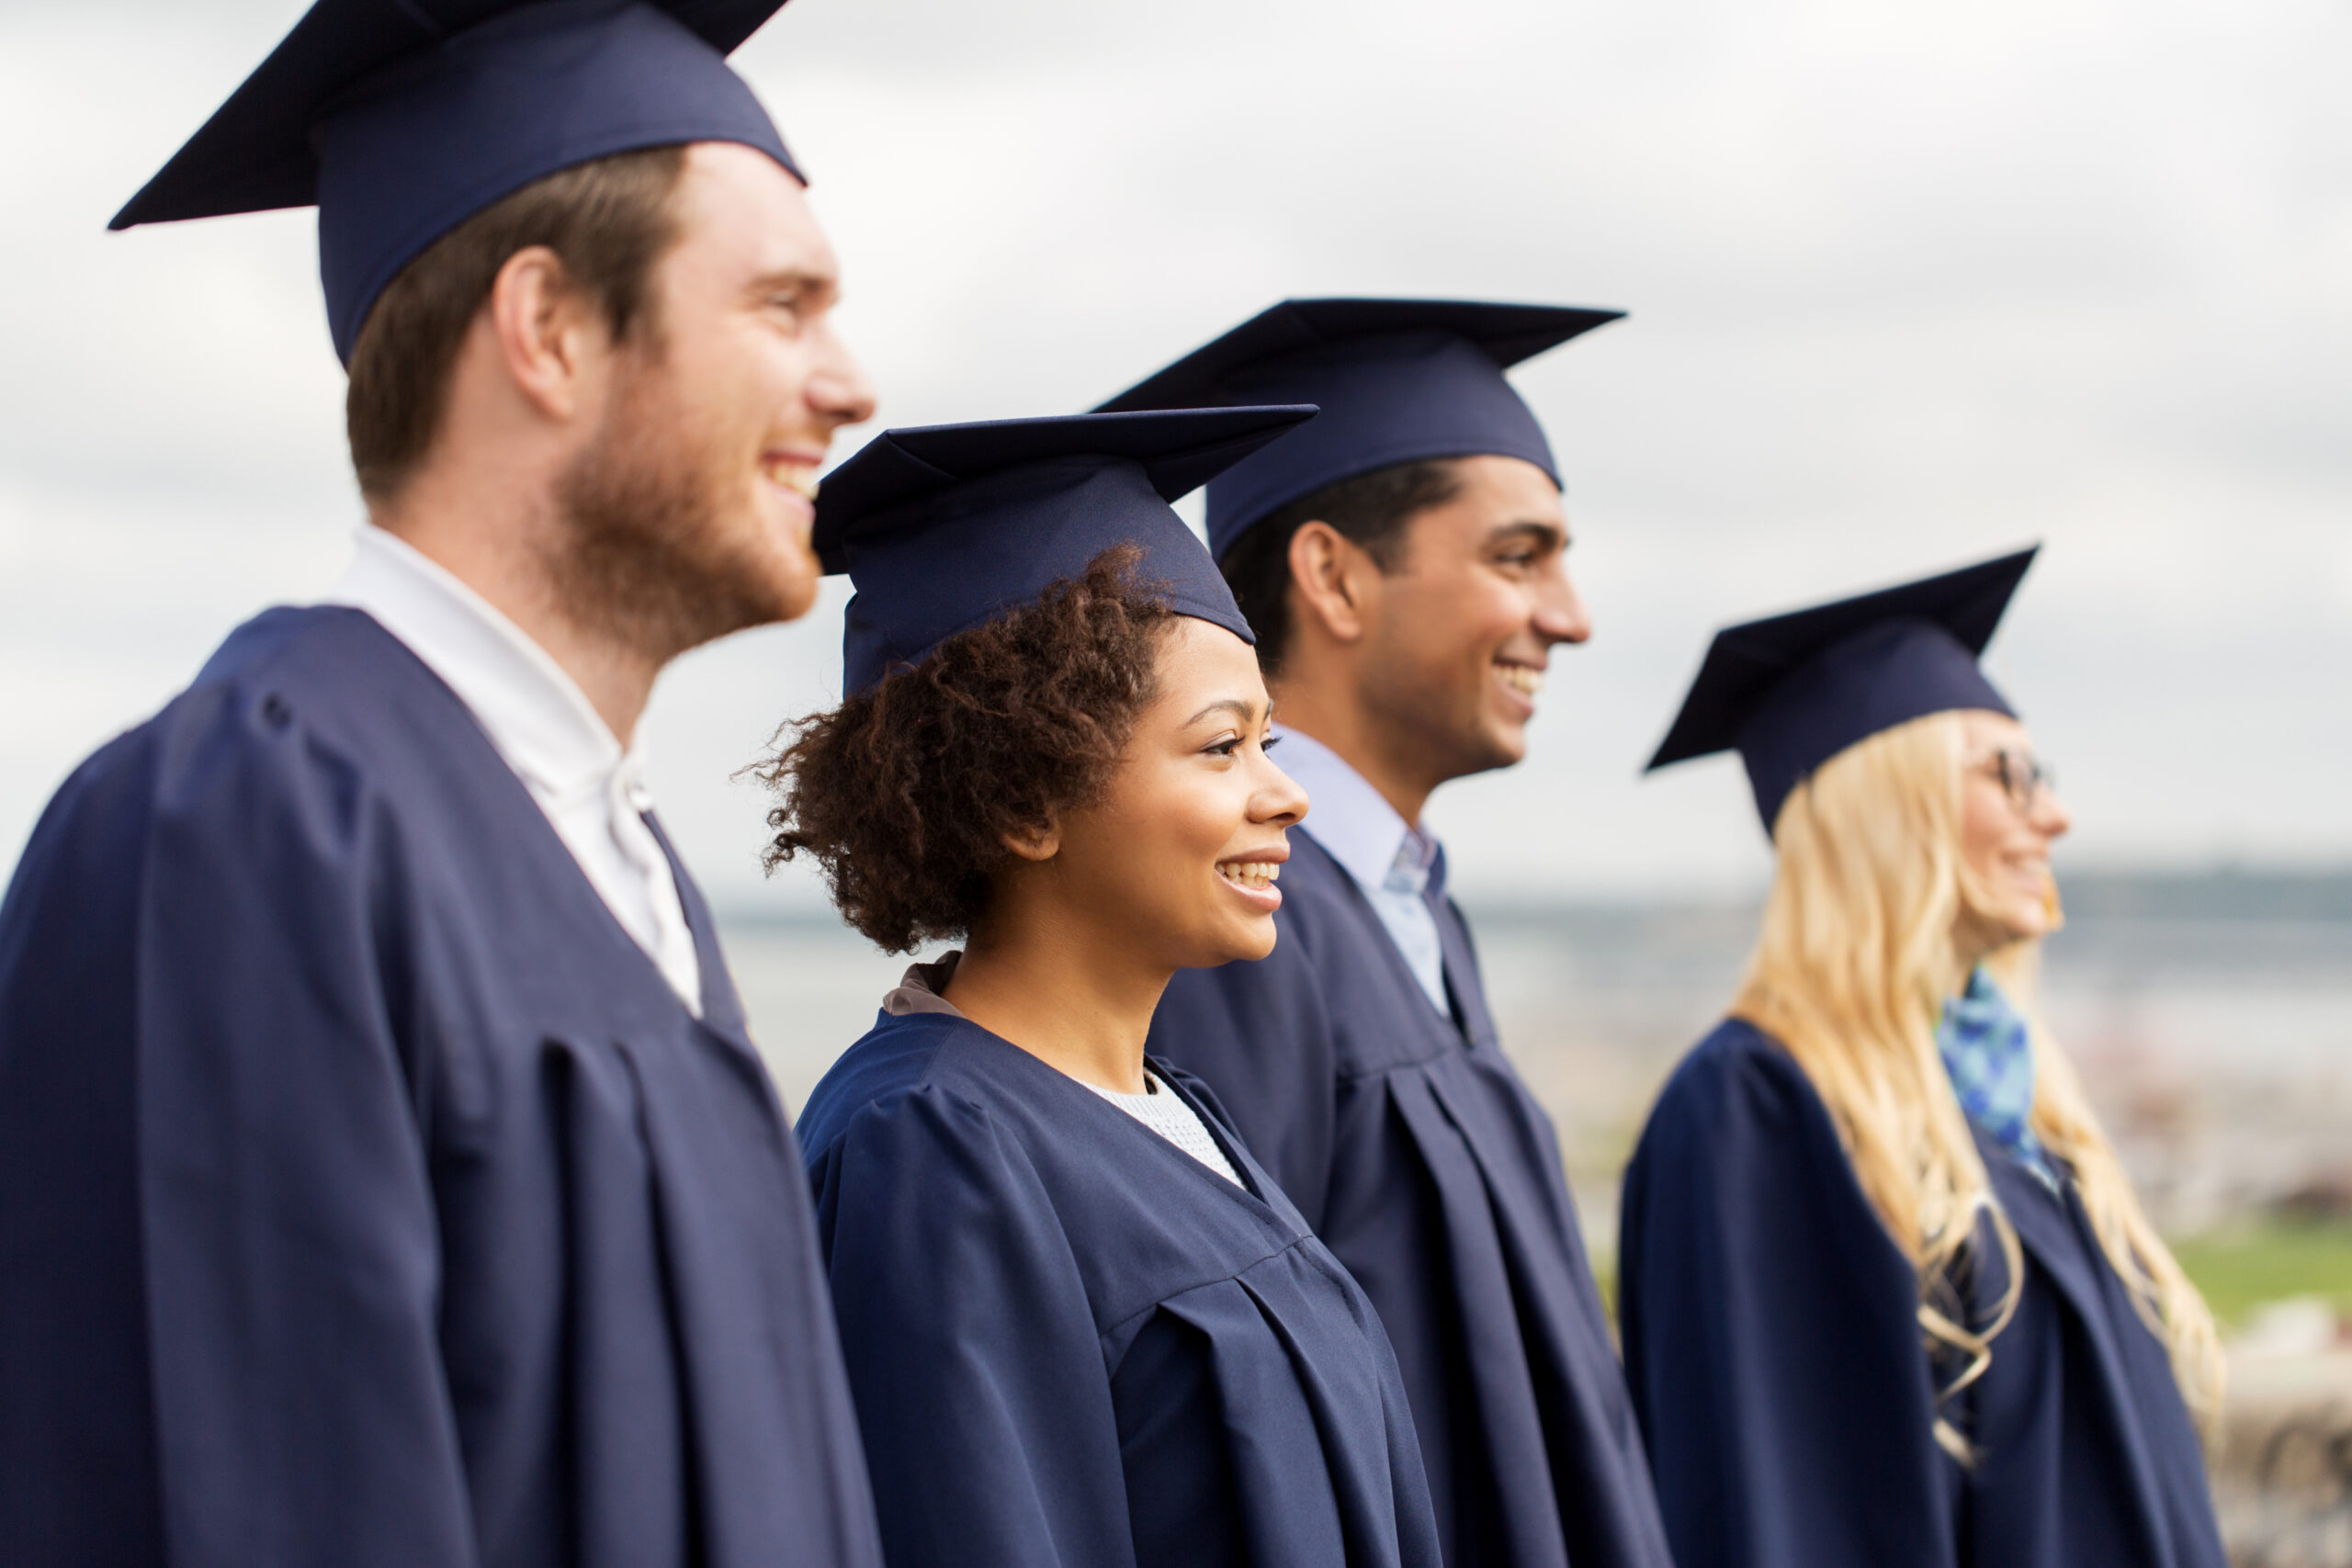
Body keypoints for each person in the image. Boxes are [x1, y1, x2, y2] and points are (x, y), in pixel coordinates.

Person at [0, 3, 886, 1563]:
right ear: (545, 328)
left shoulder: (628, 871)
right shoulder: (243, 828)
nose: (850, 383)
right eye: (782, 305)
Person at [760, 406, 1444, 1568]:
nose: (1287, 798)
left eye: (1269, 744)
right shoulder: (928, 1148)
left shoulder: (1170, 1113)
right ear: (1023, 797)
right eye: (1221, 747)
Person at [1102, 299, 1676, 1568]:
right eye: (1519, 556)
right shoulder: (1240, 929)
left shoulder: (1413, 909)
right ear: (1336, 574)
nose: (1569, 614)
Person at [1622, 547, 2227, 1568]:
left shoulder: (2017, 1102)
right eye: (2010, 775)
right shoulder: (1756, 1112)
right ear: (1881, 807)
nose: (2055, 813)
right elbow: (1787, 1519)